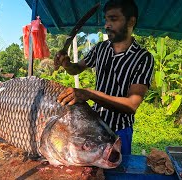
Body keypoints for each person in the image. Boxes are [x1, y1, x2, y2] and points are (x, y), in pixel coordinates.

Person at [54, 0, 154, 155]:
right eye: (106, 20)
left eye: (113, 19)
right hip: (95, 126)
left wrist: (89, 94)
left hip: (120, 131)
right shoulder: (100, 48)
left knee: (116, 172)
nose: (107, 25)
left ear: (131, 21)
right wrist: (66, 64)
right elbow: (76, 69)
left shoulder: (143, 58)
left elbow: (131, 105)